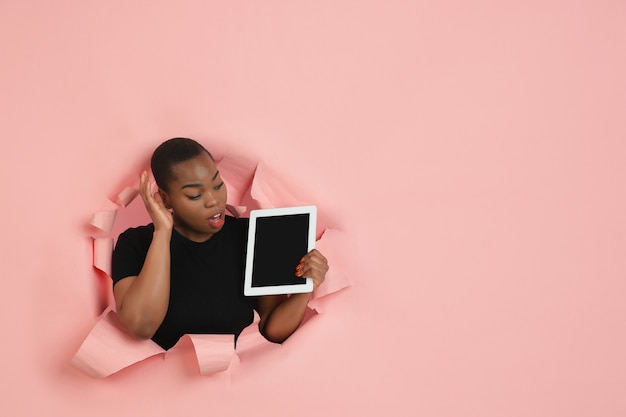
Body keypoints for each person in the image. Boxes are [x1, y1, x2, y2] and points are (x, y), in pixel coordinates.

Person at [111, 138, 328, 350]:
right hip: (158, 381)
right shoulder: (134, 243)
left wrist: (305, 289)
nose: (214, 200)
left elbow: (272, 329)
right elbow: (141, 326)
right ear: (166, 200)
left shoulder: (251, 235)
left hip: (229, 382)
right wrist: (162, 232)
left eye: (217, 184)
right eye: (195, 195)